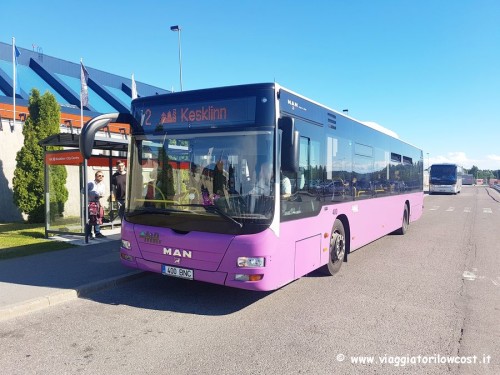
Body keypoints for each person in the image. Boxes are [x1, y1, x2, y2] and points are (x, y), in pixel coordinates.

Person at [86, 170, 106, 239]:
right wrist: (90, 195)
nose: (101, 177)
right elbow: (83, 191)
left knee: (98, 218)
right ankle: (89, 234)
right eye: (99, 175)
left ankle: (97, 233)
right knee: (91, 218)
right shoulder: (90, 183)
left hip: (98, 203)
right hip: (90, 203)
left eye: (102, 176)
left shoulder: (102, 185)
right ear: (95, 176)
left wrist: (101, 203)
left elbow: (102, 195)